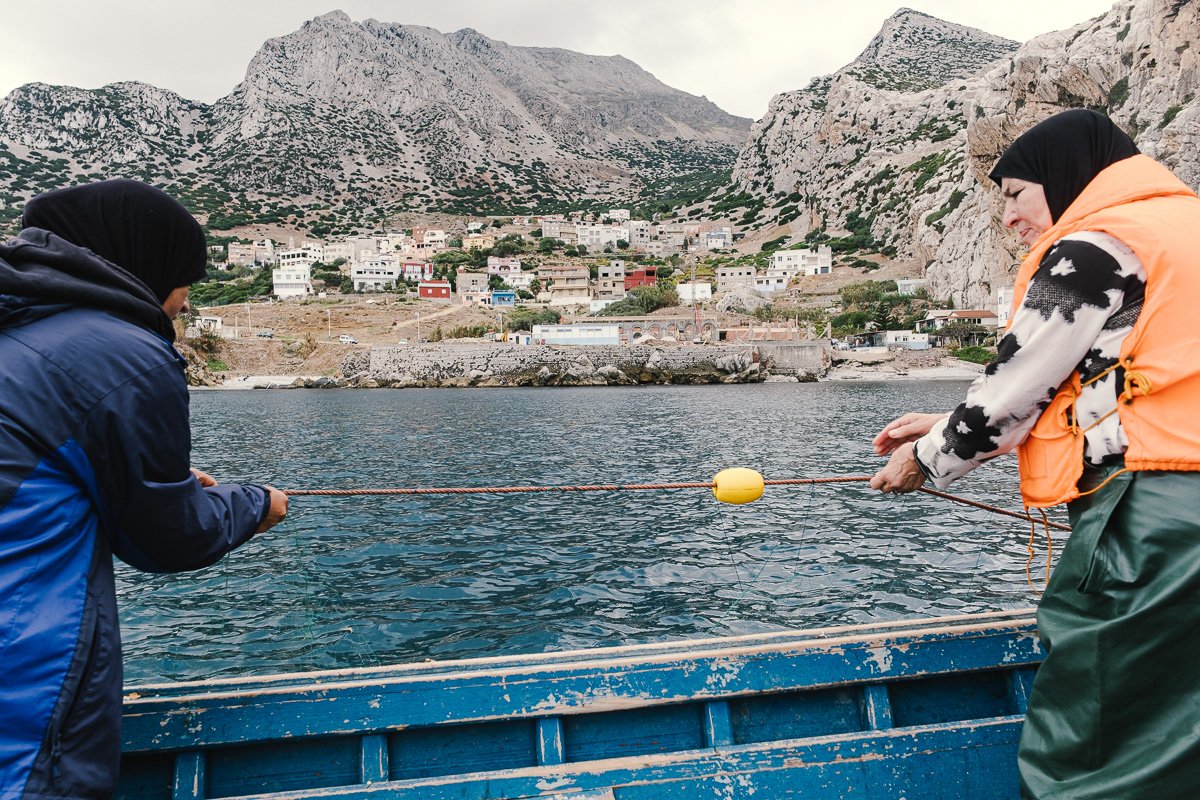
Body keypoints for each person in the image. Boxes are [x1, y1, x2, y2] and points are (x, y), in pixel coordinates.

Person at [870, 108, 1200, 798]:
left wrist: (925, 459)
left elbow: (1017, 383)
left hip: (1159, 518)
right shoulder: (1183, 230)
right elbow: (1141, 378)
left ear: (1067, 177)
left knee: (1097, 734)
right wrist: (944, 419)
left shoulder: (1100, 243)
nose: (1011, 218)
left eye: (1017, 193)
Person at [0, 180, 288, 798]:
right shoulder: (124, 353)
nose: (183, 305)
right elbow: (169, 538)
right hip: (21, 691)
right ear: (147, 265)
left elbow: (39, 473)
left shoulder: (19, 330)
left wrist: (151, 484)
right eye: (184, 281)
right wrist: (257, 503)